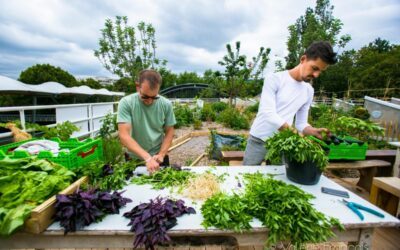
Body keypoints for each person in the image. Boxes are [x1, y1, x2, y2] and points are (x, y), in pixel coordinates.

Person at [243, 41, 337, 165]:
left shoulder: (309, 90)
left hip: (283, 143)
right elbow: (268, 113)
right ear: (303, 59)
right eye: (314, 68)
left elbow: (301, 123)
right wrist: (295, 134)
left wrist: (311, 130)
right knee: (247, 176)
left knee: (278, 180)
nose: (316, 75)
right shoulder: (275, 79)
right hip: (259, 139)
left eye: (320, 71)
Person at [117, 69, 176, 173]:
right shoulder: (126, 103)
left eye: (154, 97)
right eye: (145, 96)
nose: (149, 101)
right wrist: (147, 158)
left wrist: (162, 154)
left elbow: (170, 131)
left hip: (158, 157)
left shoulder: (166, 104)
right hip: (134, 158)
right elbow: (124, 135)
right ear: (137, 86)